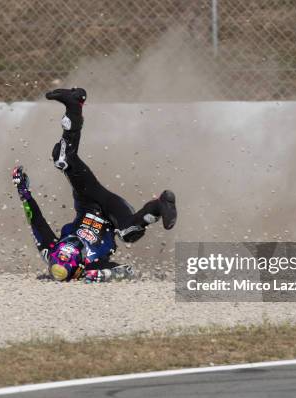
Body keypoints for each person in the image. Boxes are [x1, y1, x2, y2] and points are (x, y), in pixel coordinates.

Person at [12, 87, 177, 283]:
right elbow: (126, 270)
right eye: (73, 252)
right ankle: (160, 204)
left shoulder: (50, 250)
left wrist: (24, 192)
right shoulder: (91, 266)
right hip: (113, 214)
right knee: (128, 234)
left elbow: (37, 222)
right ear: (80, 265)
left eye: (66, 247)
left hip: (91, 200)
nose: (72, 245)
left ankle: (74, 104)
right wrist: (99, 275)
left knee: (62, 158)